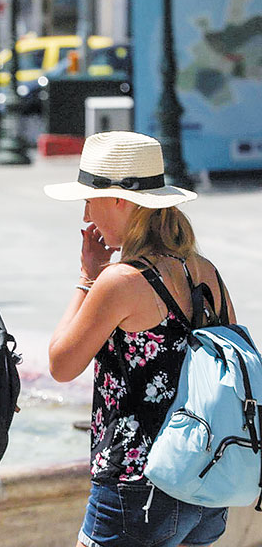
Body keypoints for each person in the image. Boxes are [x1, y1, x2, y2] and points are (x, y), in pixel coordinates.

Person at [44, 131, 234, 547]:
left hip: (138, 485)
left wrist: (86, 277)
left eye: (89, 200)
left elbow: (61, 363)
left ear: (119, 200)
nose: (85, 215)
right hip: (203, 481)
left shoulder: (121, 281)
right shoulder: (205, 272)